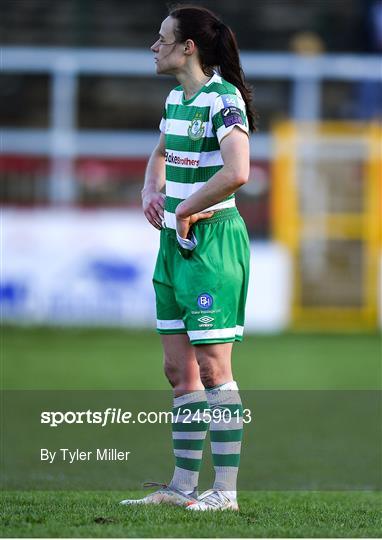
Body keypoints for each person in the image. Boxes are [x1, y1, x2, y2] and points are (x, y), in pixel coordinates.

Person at [121, 5, 255, 511]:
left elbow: (238, 170)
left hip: (212, 239)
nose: (155, 47)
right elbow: (160, 153)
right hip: (174, 243)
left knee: (215, 369)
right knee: (179, 371)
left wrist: (188, 209)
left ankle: (225, 491)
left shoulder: (224, 99)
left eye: (162, 39)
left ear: (188, 47)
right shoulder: (178, 97)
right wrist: (149, 191)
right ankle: (181, 487)